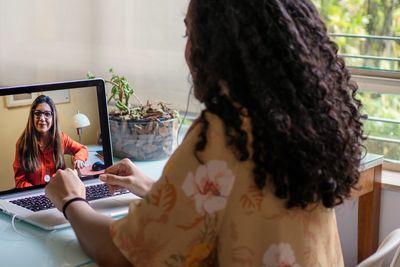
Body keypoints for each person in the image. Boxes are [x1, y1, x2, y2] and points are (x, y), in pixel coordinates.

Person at [45, 0, 364, 266]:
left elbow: (121, 253)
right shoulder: (300, 123)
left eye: (189, 33)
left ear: (221, 47)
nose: (187, 51)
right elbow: (247, 200)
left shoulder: (225, 134)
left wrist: (71, 200)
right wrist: (156, 190)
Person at [13, 94, 88, 188]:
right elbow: (20, 181)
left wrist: (79, 159)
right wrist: (37, 193)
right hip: (35, 196)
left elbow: (82, 149)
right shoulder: (22, 144)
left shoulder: (61, 138)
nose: (42, 119)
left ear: (53, 117)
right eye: (37, 113)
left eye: (47, 114)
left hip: (59, 192)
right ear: (32, 116)